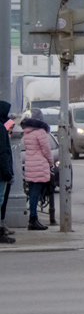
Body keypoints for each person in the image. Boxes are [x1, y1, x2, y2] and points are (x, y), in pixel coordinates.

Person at [21, 110, 54, 231]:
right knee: (36, 192)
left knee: (32, 192)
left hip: (30, 164)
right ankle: (33, 218)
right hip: (39, 165)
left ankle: (33, 217)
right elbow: (46, 149)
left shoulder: (27, 132)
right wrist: (51, 162)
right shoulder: (40, 132)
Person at [1, 102, 15, 244]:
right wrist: (7, 172)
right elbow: (4, 151)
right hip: (2, 171)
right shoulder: (1, 127)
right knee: (1, 200)